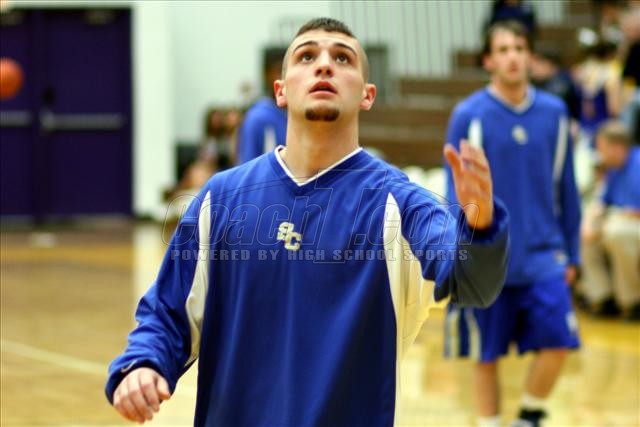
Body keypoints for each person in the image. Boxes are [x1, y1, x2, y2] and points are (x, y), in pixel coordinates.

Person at [106, 18, 510, 426]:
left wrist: (481, 227)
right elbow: (168, 312)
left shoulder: (401, 204)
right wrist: (144, 363)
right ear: (280, 90)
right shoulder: (222, 199)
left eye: (343, 58)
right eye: (306, 56)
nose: (324, 65)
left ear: (367, 95)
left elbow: (473, 284)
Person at [444, 21, 581, 427]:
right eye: (503, 49)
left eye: (520, 48)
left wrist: (572, 253)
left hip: (543, 255)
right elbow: (456, 195)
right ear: (488, 60)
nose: (513, 56)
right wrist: (461, 254)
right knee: (486, 356)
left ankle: (528, 416)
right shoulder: (469, 115)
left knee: (559, 341)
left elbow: (566, 188)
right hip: (489, 259)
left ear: (531, 56)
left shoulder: (554, 113)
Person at [581, 121, 640, 320]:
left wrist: (613, 218)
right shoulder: (614, 169)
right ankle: (603, 297)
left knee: (616, 233)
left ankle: (632, 302)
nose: (599, 153)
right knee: (586, 236)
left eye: (602, 147)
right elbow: (603, 202)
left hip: (630, 224)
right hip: (618, 220)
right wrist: (590, 222)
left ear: (617, 147)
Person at [236, 47, 288, 164]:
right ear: (266, 74)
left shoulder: (295, 113)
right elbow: (247, 163)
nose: (284, 78)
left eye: (287, 71)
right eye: (279, 71)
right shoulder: (257, 117)